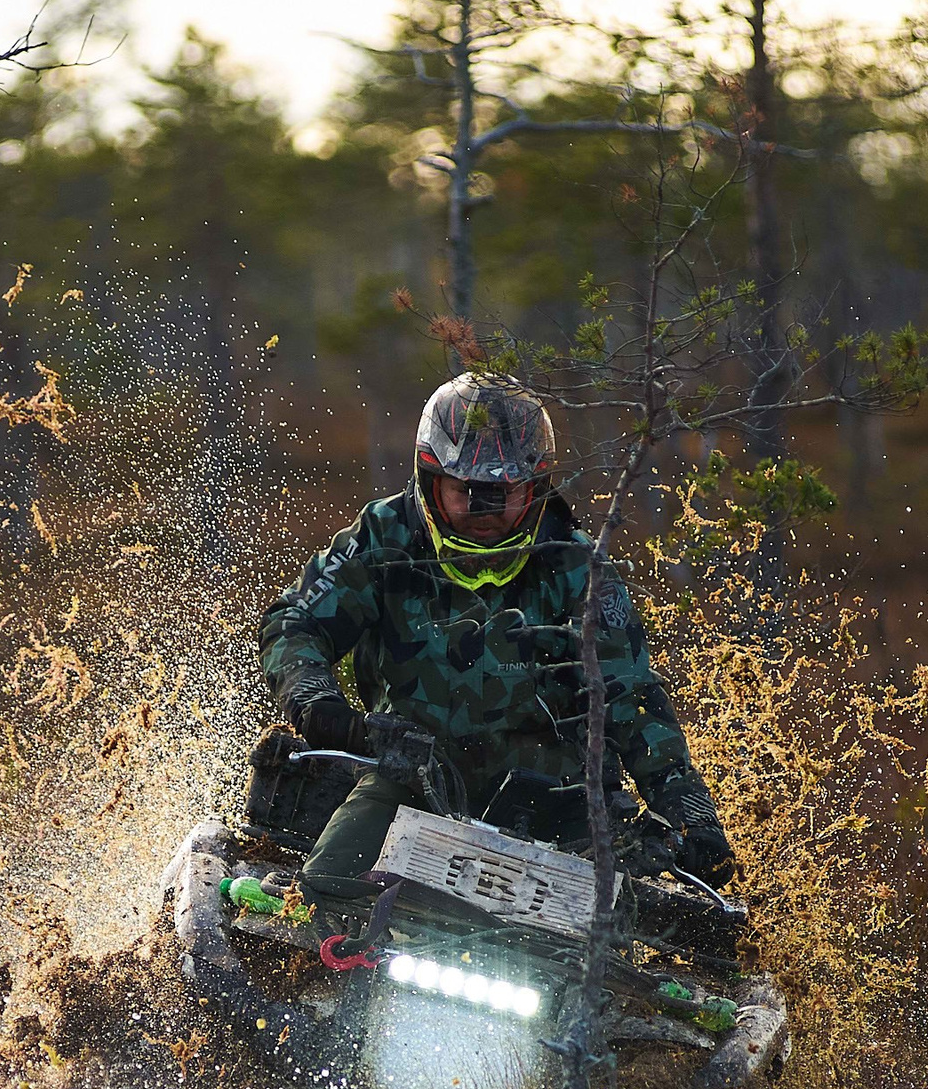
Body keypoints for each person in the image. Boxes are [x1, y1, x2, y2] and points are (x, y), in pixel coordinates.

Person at [258, 373, 735, 900]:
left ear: (535, 487)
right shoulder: (382, 537)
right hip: (412, 779)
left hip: (566, 799)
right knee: (326, 886)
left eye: (502, 494)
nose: (484, 513)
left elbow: (632, 694)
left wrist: (687, 806)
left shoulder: (578, 567)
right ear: (431, 478)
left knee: (656, 930)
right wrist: (319, 705)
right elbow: (295, 623)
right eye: (468, 492)